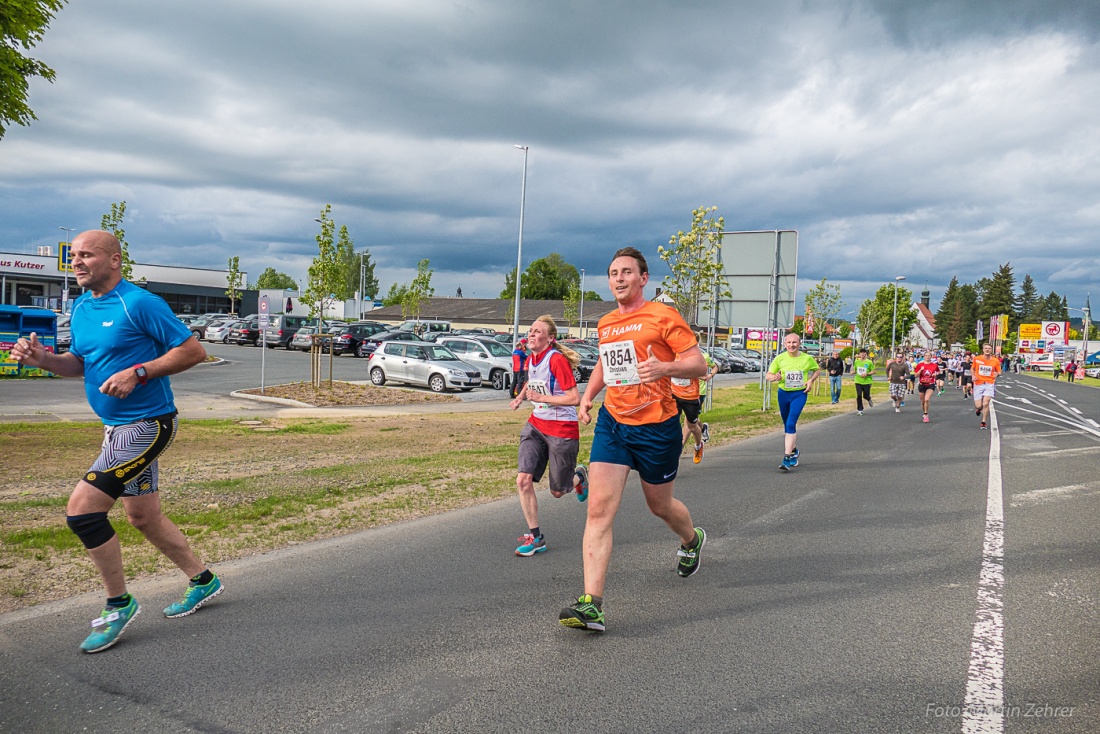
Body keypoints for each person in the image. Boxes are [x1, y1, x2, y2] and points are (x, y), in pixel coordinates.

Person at [10, 230, 219, 654]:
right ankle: (203, 580)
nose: (77, 262)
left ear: (115, 260)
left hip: (147, 425)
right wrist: (43, 360)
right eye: (74, 256)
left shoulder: (140, 303)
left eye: (87, 255)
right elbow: (80, 364)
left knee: (83, 511)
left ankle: (118, 603)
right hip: (115, 428)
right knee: (143, 517)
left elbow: (194, 351)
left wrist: (139, 372)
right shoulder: (84, 306)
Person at [559, 247, 707, 633]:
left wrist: (666, 366)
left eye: (627, 272)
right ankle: (592, 605)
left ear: (643, 279)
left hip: (657, 427)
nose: (619, 278)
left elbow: (699, 364)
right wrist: (588, 397)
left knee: (660, 506)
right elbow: (608, 366)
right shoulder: (607, 322)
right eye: (613, 273)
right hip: (615, 423)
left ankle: (691, 539)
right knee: (598, 510)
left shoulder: (663, 315)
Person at [509, 316, 589, 556]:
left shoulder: (557, 361)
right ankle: (536, 538)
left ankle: (578, 477)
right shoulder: (531, 358)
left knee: (557, 491)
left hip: (562, 429)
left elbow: (574, 398)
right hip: (536, 425)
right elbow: (532, 383)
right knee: (523, 479)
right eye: (530, 331)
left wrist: (542, 398)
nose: (531, 335)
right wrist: (521, 396)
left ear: (550, 338)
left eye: (537, 331)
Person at [765, 333, 821, 471]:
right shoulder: (779, 358)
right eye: (789, 343)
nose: (792, 345)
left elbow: (817, 370)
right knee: (786, 425)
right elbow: (768, 375)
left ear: (799, 344)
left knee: (791, 422)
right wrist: (774, 377)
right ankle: (794, 450)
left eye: (794, 342)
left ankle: (786, 458)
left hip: (799, 394)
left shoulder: (807, 358)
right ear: (785, 344)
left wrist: (810, 380)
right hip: (783, 393)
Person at [672, 336, 712, 464]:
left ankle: (698, 445)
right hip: (673, 394)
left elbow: (704, 370)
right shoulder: (671, 353)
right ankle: (675, 450)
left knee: (691, 425)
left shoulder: (697, 356)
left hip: (691, 396)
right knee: (671, 424)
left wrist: (704, 375)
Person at [971, 342, 1002, 430]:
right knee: (978, 405)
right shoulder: (977, 359)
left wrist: (997, 374)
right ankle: (978, 408)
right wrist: (973, 376)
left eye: (989, 348)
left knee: (986, 402)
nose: (987, 349)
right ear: (983, 350)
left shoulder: (995, 360)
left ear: (991, 350)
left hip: (989, 383)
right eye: (986, 348)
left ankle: (983, 422)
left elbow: (999, 371)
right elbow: (972, 368)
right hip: (978, 383)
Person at [914, 351, 939, 423]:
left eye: (929, 355)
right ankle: (924, 411)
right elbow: (916, 375)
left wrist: (935, 374)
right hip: (922, 384)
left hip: (930, 384)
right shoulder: (920, 365)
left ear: (931, 357)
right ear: (924, 357)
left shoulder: (934, 365)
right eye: (926, 355)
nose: (927, 357)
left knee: (927, 399)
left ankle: (926, 414)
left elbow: (938, 371)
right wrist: (920, 370)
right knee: (922, 402)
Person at [852, 347, 875, 415]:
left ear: (866, 354)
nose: (862, 354)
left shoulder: (869, 362)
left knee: (865, 395)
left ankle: (869, 399)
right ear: (859, 354)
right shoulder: (856, 361)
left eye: (864, 353)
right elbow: (855, 370)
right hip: (858, 380)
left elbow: (874, 371)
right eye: (861, 353)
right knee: (859, 395)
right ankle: (860, 409)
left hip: (867, 381)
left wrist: (867, 374)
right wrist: (852, 372)